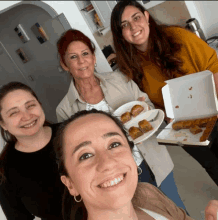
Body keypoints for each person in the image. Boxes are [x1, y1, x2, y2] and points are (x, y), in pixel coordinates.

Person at [55, 29, 187, 211]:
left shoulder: (119, 79)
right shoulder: (64, 109)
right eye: (73, 57)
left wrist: (146, 108)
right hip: (115, 177)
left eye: (85, 54)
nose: (82, 61)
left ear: (94, 58)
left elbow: (147, 104)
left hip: (153, 162)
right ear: (65, 64)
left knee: (177, 210)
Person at [110, 0, 218, 186]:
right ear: (120, 34)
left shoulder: (178, 37)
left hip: (214, 113)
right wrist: (165, 114)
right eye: (124, 25)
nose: (133, 27)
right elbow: (154, 103)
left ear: (146, 16)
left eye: (136, 18)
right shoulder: (130, 66)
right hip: (185, 129)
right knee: (213, 166)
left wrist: (209, 103)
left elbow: (214, 67)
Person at [53, 109, 218, 220]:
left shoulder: (148, 193)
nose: (108, 163)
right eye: (85, 155)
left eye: (114, 144)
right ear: (70, 183)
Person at [0, 82, 64, 220]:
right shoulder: (4, 173)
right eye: (14, 112)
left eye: (30, 105)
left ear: (40, 105)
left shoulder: (73, 131)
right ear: (3, 123)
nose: (27, 116)